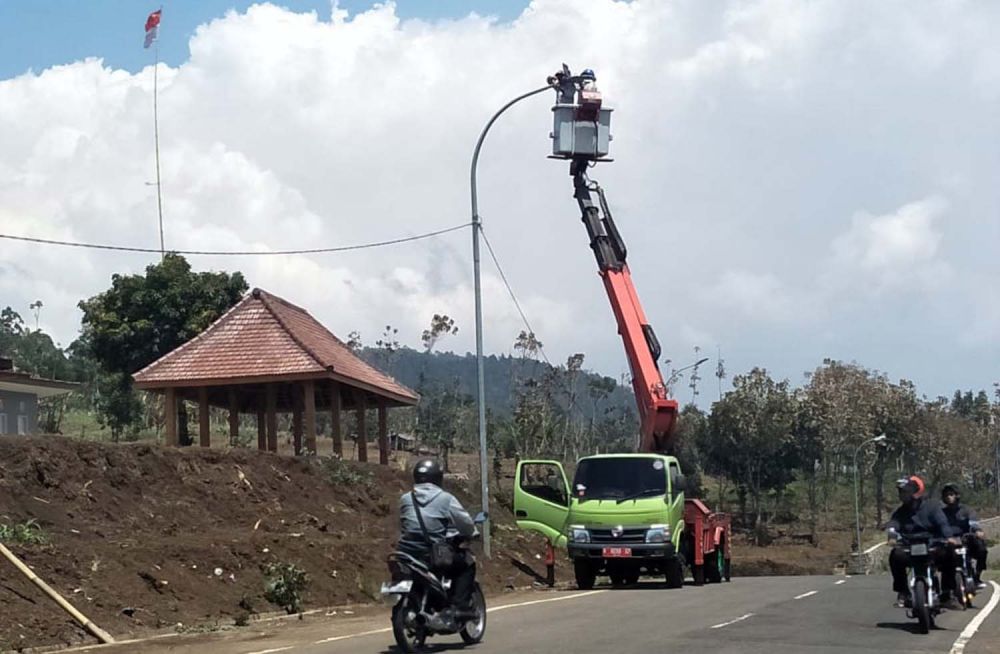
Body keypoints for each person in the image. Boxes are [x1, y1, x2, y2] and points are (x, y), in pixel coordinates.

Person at [396, 459, 478, 618]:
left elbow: (404, 522)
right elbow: (465, 522)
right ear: (438, 477)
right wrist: (472, 533)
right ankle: (459, 607)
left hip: (406, 553)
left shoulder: (406, 498)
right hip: (431, 554)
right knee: (467, 564)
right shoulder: (445, 498)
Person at [886, 475, 958, 607]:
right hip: (910, 548)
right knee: (895, 555)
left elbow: (943, 524)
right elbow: (893, 525)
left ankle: (947, 593)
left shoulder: (932, 507)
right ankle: (903, 592)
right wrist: (892, 536)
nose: (901, 495)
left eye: (904, 491)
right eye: (900, 492)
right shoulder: (900, 512)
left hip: (932, 546)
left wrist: (949, 538)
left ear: (915, 492)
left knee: (950, 553)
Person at [940, 483, 989, 589]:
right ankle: (944, 589)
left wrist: (977, 531)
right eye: (947, 495)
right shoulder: (941, 513)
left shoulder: (966, 510)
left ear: (957, 495)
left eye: (951, 494)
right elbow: (937, 525)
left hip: (966, 539)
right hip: (949, 542)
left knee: (982, 549)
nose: (949, 497)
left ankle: (977, 577)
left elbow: (973, 523)